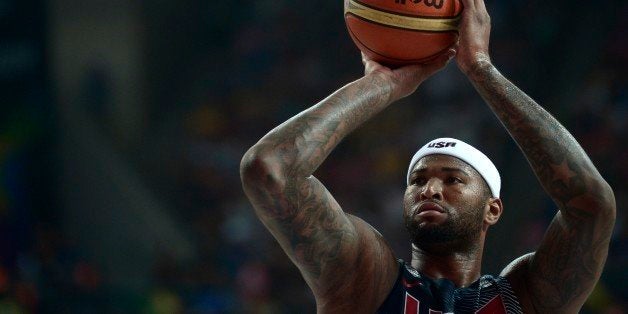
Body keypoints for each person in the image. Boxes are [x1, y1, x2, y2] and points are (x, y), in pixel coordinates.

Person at [239, 0, 616, 312]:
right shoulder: (363, 281)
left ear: (493, 209)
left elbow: (591, 203)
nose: (430, 189)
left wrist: (482, 70)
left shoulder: (526, 299)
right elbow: (270, 168)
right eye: (417, 180)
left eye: (452, 180)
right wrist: (381, 84)